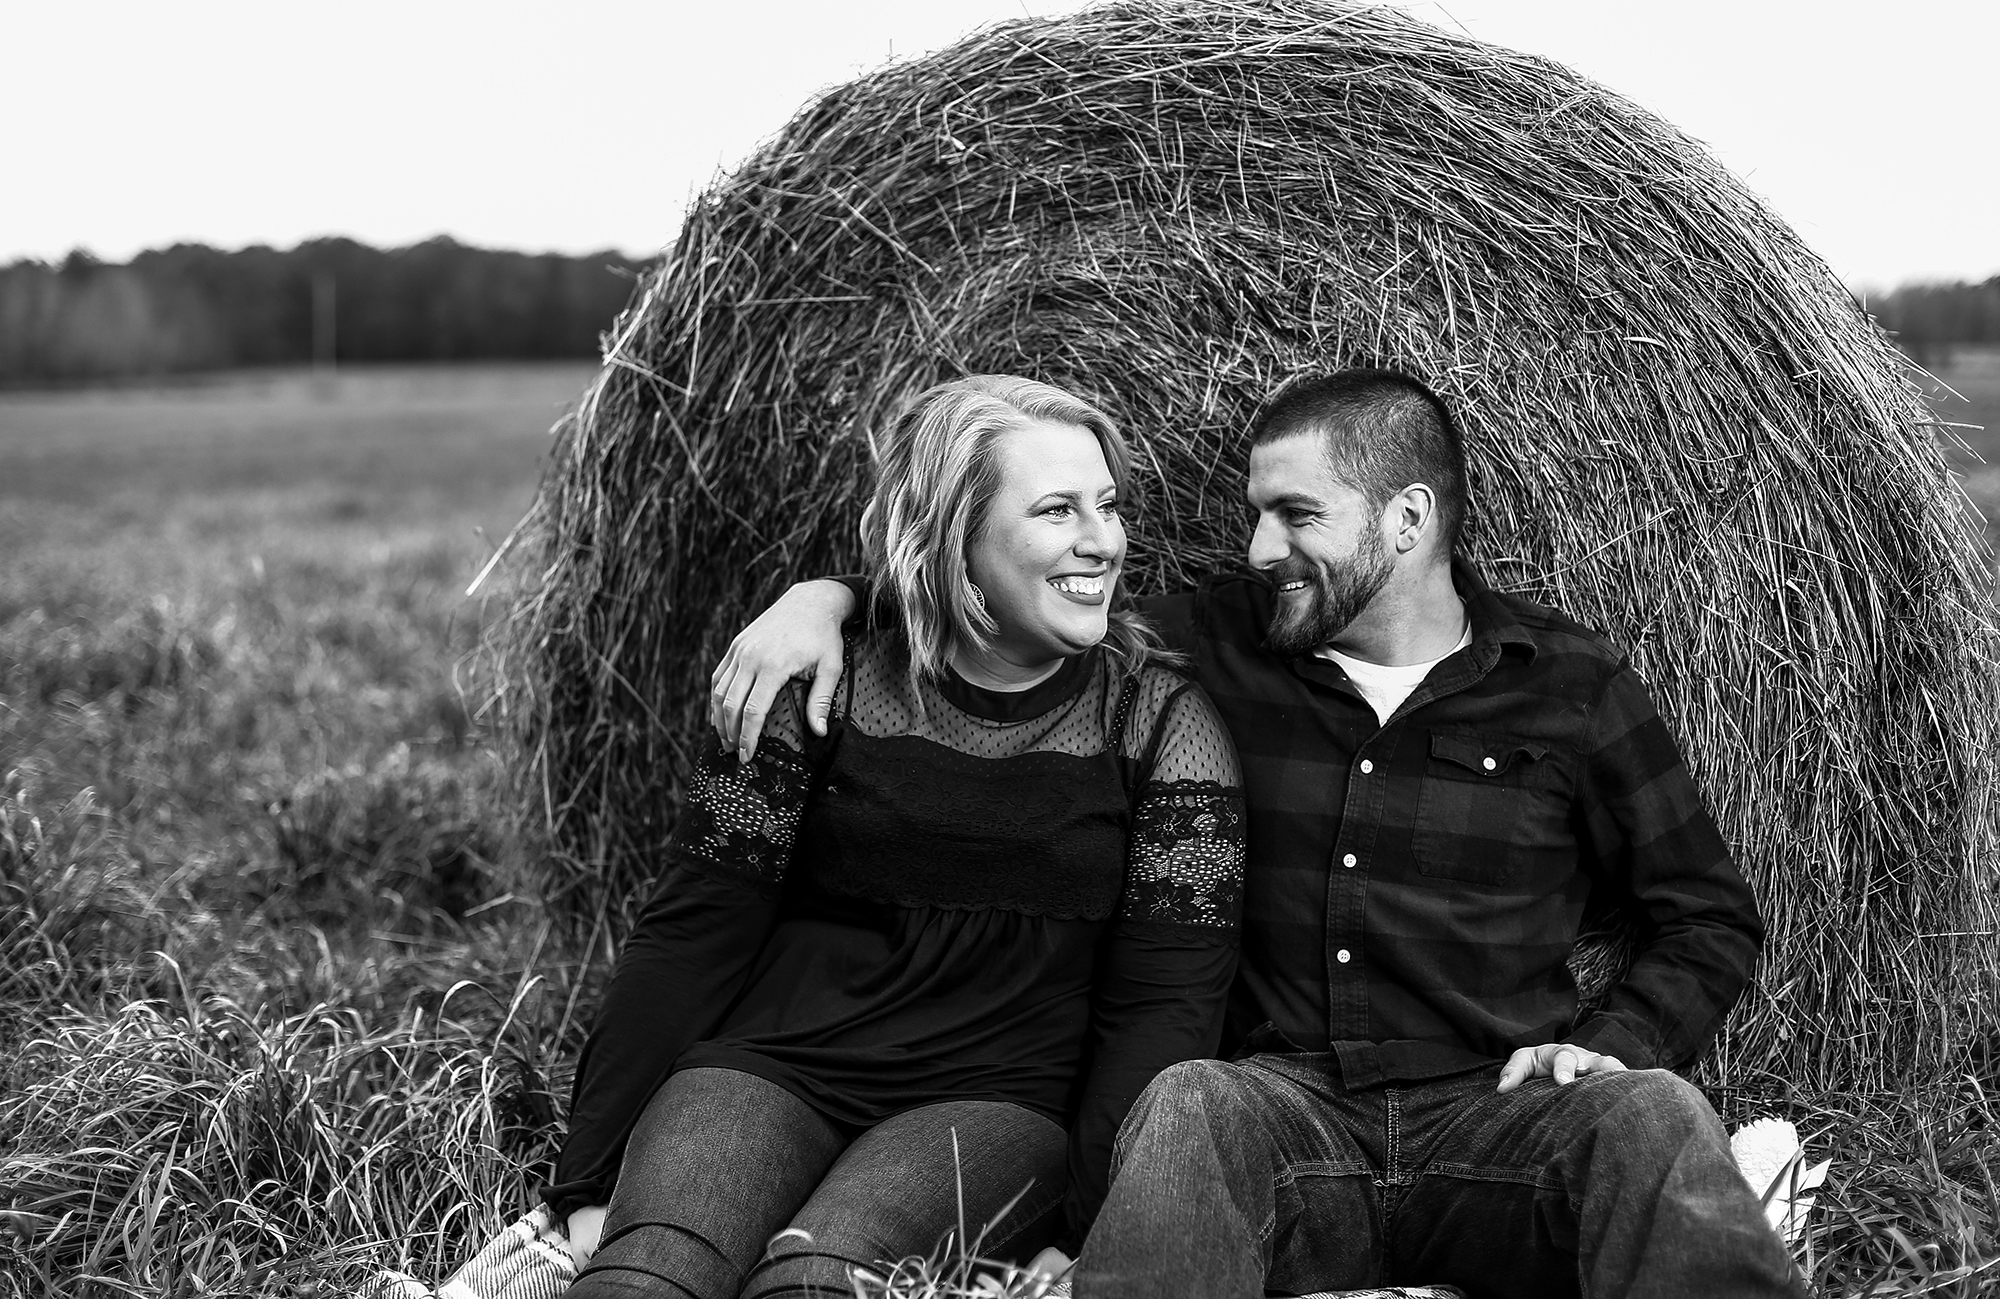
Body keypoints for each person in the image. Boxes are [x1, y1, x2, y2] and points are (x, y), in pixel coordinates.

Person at [710, 368, 1807, 1296]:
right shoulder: (1202, 650)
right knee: (1187, 1099)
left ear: (1406, 519)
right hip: (1275, 1113)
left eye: (1295, 514)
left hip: (1499, 1113)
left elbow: (1703, 915)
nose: (1255, 546)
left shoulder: (1568, 688)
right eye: (1252, 512)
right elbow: (996, 598)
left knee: (1652, 1115)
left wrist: (1609, 1047)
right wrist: (831, 600)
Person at [548, 374, 1246, 1299]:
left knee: (816, 1279)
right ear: (954, 541)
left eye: (1107, 506)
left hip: (996, 1103)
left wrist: (1092, 1220)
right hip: (769, 1067)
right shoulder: (819, 685)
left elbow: (1166, 1004)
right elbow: (693, 929)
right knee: (645, 1276)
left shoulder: (1163, 725)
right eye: (1056, 510)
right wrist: (587, 1177)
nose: (1103, 541)